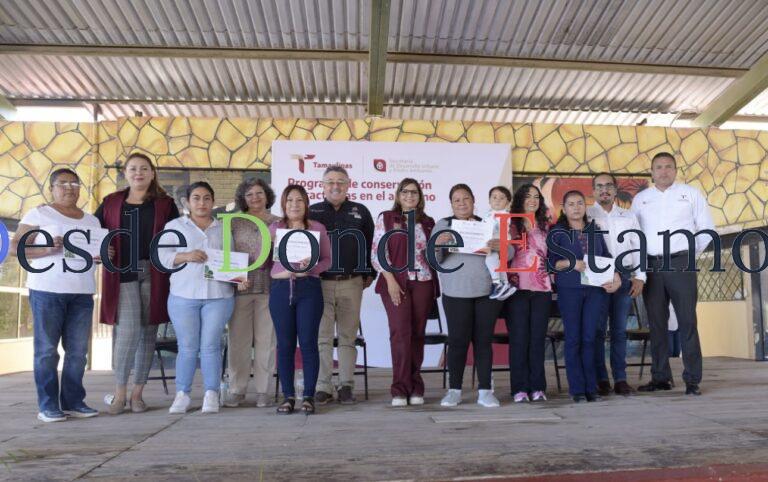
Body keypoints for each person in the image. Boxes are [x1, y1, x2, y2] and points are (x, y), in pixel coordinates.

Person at [12, 169, 103, 422]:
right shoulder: (39, 213)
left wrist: (104, 256)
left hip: (82, 292)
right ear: (51, 188)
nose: (69, 187)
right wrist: (47, 249)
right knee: (46, 351)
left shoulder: (92, 221)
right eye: (62, 183)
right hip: (47, 290)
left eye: (74, 183)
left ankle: (74, 402)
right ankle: (48, 406)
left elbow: (95, 254)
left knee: (77, 353)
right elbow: (13, 248)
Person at [95, 153, 179, 414]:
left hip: (154, 273)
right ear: (126, 173)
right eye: (133, 169)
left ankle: (137, 395)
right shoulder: (110, 202)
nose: (138, 173)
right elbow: (93, 233)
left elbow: (177, 237)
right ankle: (119, 393)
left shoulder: (165, 204)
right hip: (122, 273)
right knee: (128, 331)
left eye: (144, 168)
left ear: (152, 173)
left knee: (147, 333)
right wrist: (102, 249)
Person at [631, 152, 715, 396]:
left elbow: (707, 229)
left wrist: (689, 253)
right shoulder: (641, 199)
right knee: (656, 323)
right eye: (659, 167)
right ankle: (660, 377)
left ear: (676, 170)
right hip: (651, 266)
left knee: (687, 321)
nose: (664, 171)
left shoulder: (691, 194)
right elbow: (635, 235)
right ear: (652, 171)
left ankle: (692, 380)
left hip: (681, 263)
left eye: (668, 167)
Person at [157, 182, 237, 414]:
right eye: (196, 198)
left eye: (206, 198)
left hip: (218, 295)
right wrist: (186, 255)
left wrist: (239, 277)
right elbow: (162, 257)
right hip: (184, 295)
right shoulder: (174, 226)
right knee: (187, 347)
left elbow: (231, 260)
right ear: (188, 202)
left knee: (211, 346)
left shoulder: (223, 227)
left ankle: (211, 393)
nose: (201, 203)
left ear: (213, 202)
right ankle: (183, 393)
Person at [434, 184, 507, 408]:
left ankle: (485, 391)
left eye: (466, 199)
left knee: (483, 343)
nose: (462, 203)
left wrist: (500, 246)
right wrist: (440, 244)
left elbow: (510, 253)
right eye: (457, 200)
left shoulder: (487, 223)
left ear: (474, 201)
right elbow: (432, 259)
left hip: (486, 292)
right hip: (455, 293)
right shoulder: (443, 225)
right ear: (451, 204)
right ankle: (454, 390)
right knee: (457, 342)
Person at [309, 166, 375, 405]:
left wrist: (370, 273)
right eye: (330, 182)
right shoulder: (312, 211)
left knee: (348, 337)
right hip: (320, 284)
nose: (335, 186)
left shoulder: (361, 211)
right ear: (323, 185)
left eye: (340, 182)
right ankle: (323, 386)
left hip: (351, 283)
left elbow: (370, 246)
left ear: (348, 185)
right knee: (323, 338)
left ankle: (346, 385)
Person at [371, 178, 439, 407]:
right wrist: (389, 279)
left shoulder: (428, 222)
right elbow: (377, 253)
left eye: (414, 192)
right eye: (405, 192)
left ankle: (415, 387)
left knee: (417, 334)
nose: (410, 196)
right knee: (400, 333)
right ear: (398, 195)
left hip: (423, 282)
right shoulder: (387, 218)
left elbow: (435, 256)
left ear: (420, 197)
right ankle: (399, 388)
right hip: (396, 282)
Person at [548, 190, 621, 403]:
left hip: (595, 290)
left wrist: (615, 277)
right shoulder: (557, 232)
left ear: (585, 207)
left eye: (580, 203)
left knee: (590, 338)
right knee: (574, 339)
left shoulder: (594, 230)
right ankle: (577, 389)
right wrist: (572, 263)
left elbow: (607, 257)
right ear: (564, 208)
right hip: (570, 289)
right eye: (571, 204)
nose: (576, 207)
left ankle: (592, 387)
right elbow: (551, 262)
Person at [269, 185, 332, 415]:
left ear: (306, 204)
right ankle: (287, 397)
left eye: (299, 200)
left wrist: (311, 269)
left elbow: (327, 260)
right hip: (280, 289)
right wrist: (277, 273)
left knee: (307, 343)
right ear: (283, 204)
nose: (294, 205)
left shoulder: (317, 228)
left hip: (309, 289)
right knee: (284, 344)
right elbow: (262, 260)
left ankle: (308, 396)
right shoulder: (274, 228)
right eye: (289, 201)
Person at [588, 172, 647, 397]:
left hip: (624, 276)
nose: (604, 189)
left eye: (608, 185)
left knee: (620, 331)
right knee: (597, 330)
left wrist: (641, 276)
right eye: (599, 186)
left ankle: (620, 379)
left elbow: (638, 246)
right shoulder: (586, 215)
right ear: (593, 190)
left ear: (615, 189)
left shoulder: (628, 216)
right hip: (597, 279)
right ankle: (601, 379)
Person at [222, 178, 279, 409]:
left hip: (270, 287)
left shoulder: (279, 222)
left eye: (259, 193)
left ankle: (264, 391)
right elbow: (226, 252)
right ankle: (237, 390)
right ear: (242, 199)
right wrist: (236, 279)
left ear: (267, 195)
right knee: (238, 342)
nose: (255, 198)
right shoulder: (233, 222)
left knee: (267, 342)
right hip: (241, 289)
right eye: (249, 195)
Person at [505, 184, 552, 403]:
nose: (533, 200)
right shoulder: (510, 224)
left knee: (536, 339)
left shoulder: (546, 226)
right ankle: (519, 389)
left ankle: (538, 387)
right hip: (517, 289)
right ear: (520, 200)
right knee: (519, 339)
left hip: (542, 288)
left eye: (536, 197)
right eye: (528, 197)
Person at [484, 186, 515, 300]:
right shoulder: (489, 213)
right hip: (492, 241)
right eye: (494, 197)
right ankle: (505, 283)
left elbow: (495, 227)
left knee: (490, 259)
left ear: (507, 202)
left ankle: (497, 283)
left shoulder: (504, 214)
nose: (497, 200)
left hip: (498, 241)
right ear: (489, 200)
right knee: (499, 263)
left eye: (502, 198)